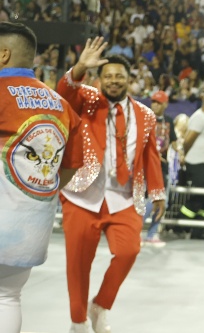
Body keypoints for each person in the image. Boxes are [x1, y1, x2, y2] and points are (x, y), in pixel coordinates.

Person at [56, 38, 166, 333]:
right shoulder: (86, 100)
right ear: (99, 79)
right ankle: (78, 321)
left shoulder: (145, 115)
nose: (114, 81)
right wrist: (79, 67)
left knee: (129, 251)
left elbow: (150, 155)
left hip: (124, 197)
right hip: (82, 194)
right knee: (78, 264)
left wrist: (158, 193)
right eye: (108, 76)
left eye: (120, 76)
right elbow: (64, 92)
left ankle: (100, 305)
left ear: (130, 80)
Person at [0, 22, 83, 333]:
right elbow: (72, 166)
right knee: (8, 298)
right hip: (29, 228)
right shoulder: (60, 104)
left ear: (3, 54)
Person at [179, 92, 204, 238]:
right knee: (198, 197)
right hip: (197, 163)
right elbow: (188, 140)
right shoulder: (199, 117)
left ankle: (198, 230)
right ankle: (179, 224)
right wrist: (183, 155)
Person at [142, 90, 177, 247]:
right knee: (145, 200)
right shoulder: (145, 118)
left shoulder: (169, 120)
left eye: (158, 102)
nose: (155, 105)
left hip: (162, 167)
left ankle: (151, 234)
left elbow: (174, 141)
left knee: (162, 200)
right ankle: (134, 229)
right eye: (153, 101)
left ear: (165, 104)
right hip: (144, 166)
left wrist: (179, 154)